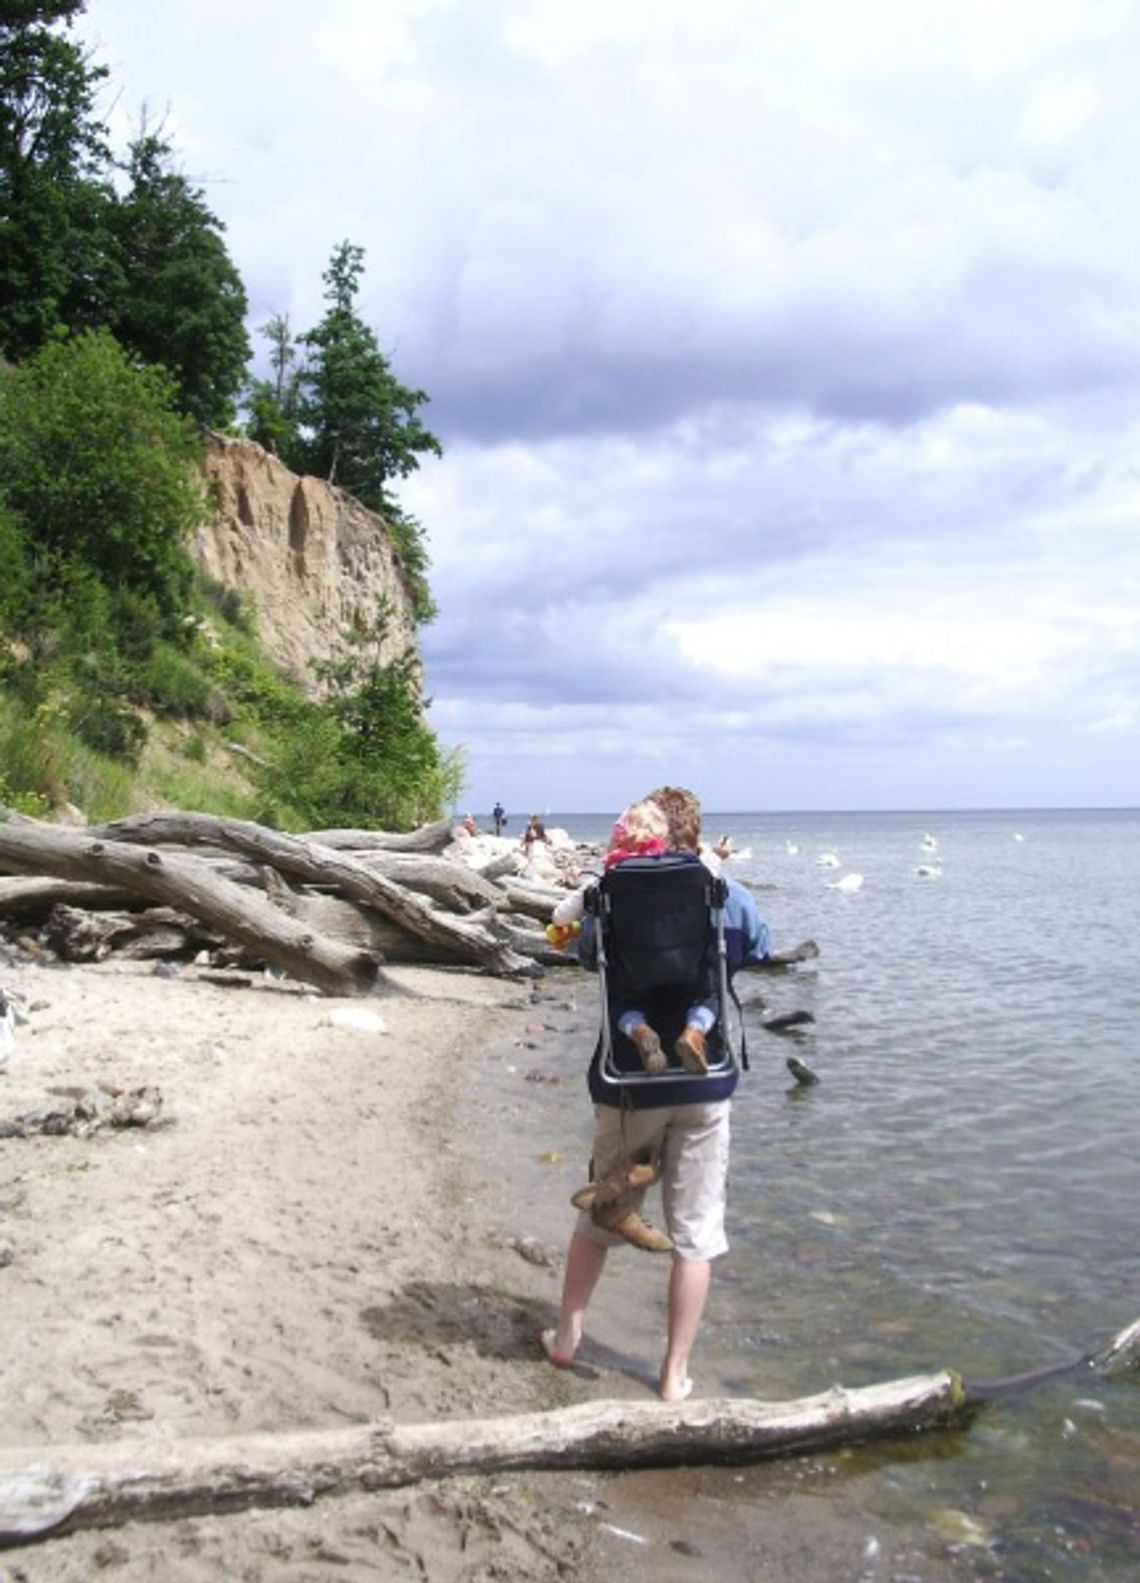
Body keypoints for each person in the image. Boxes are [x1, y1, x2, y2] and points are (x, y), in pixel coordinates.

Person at [543, 784, 772, 1402]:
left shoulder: (611, 888)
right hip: (704, 1081)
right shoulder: (718, 886)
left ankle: (567, 1337)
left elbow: (589, 954)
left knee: (604, 1214)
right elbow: (760, 944)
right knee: (696, 1234)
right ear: (691, 835)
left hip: (627, 1083)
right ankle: (673, 1374)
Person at [550, 800, 717, 1075]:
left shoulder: (608, 877)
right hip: (686, 969)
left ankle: (639, 1030)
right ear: (662, 835)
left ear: (619, 837)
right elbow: (716, 873)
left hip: (631, 971)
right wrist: (710, 852)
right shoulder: (693, 871)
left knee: (621, 1002)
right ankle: (694, 1032)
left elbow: (560, 917)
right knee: (708, 995)